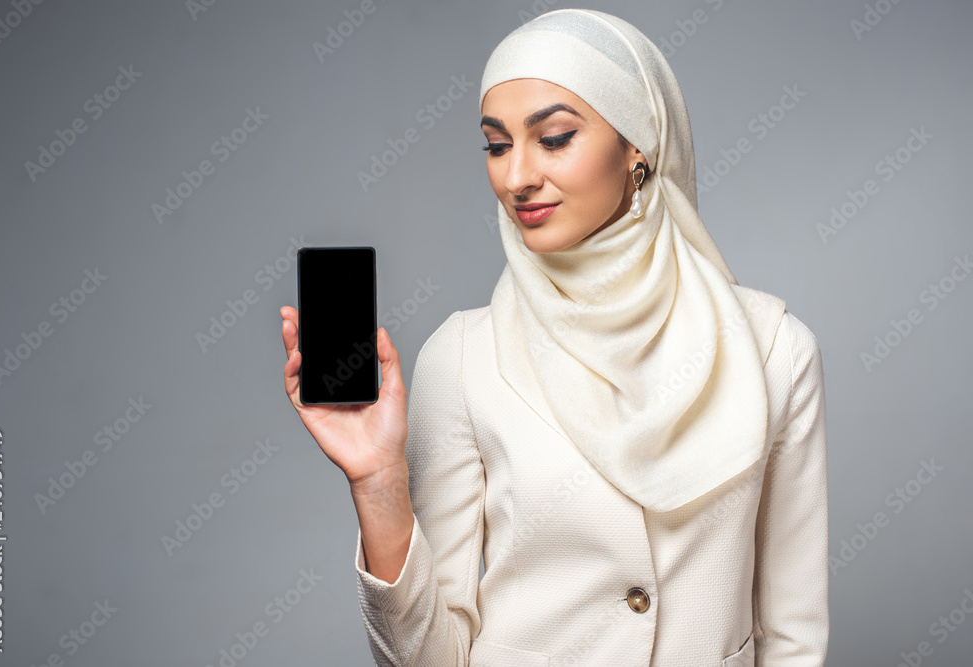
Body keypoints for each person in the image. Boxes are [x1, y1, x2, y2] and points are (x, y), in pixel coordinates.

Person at [279, 8, 828, 665]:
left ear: (638, 147)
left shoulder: (771, 350)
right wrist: (378, 484)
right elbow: (431, 658)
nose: (516, 178)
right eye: (497, 144)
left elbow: (793, 635)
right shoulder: (462, 358)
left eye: (556, 136)